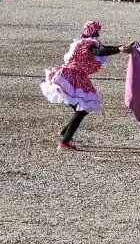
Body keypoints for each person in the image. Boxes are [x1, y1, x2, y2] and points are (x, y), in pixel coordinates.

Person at [40, 21, 132, 150]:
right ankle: (64, 142)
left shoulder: (80, 42)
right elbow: (99, 52)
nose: (98, 34)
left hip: (66, 74)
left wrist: (120, 48)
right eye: (97, 32)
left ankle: (65, 133)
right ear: (94, 33)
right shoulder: (90, 44)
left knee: (82, 109)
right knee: (82, 110)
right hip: (73, 76)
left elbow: (102, 48)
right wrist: (118, 49)